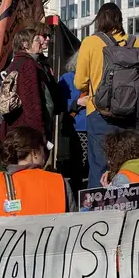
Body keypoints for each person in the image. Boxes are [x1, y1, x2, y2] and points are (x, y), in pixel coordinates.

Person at [75, 3, 139, 188]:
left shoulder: (91, 42)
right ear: (120, 19)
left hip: (99, 112)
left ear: (99, 20)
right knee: (127, 165)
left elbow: (79, 82)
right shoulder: (135, 42)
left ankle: (98, 212)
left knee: (99, 166)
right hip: (129, 114)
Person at [0, 126, 77, 216]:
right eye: (43, 149)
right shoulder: (59, 182)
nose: (45, 156)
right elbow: (73, 224)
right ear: (34, 153)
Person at [1, 24, 58, 143]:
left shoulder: (19, 61)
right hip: (29, 130)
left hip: (19, 126)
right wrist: (39, 133)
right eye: (37, 40)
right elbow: (31, 102)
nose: (41, 43)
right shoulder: (28, 64)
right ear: (25, 44)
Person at [58, 51, 89, 193]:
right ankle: (76, 192)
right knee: (79, 163)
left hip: (93, 126)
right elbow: (60, 102)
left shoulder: (95, 78)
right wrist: (77, 102)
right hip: (78, 127)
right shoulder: (67, 78)